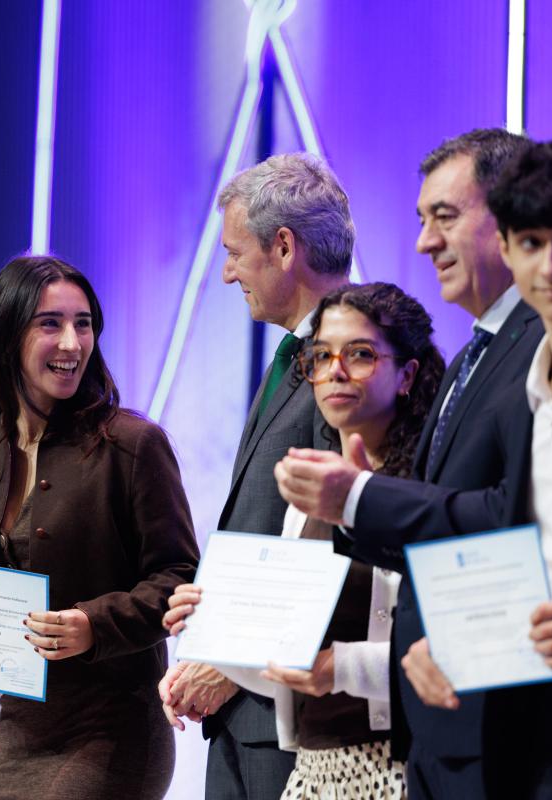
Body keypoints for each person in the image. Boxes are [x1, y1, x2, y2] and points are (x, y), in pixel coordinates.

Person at [288, 139, 552, 797]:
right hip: (502, 731)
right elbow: (512, 546)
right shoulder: (510, 383)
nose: (551, 266)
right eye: (530, 243)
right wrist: (453, 641)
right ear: (508, 246)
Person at [0, 256, 199, 799]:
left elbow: (178, 576)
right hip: (16, 728)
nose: (72, 343)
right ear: (7, 336)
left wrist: (94, 624)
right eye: (50, 324)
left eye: (84, 324)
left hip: (112, 724)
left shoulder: (132, 445)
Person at [291, 129, 537, 798]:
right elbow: (438, 538)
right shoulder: (473, 358)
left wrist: (360, 499)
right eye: (423, 220)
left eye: (445, 217)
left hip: (494, 722)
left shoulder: (542, 349)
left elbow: (521, 522)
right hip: (435, 732)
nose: (425, 242)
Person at [166, 283, 444, 799]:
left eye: (359, 355)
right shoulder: (307, 501)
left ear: (407, 375)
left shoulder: (431, 491)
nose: (335, 371)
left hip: (400, 768)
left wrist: (344, 669)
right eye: (321, 357)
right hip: (315, 773)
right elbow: (292, 667)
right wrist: (213, 637)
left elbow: (459, 650)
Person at [159, 152, 354, 799]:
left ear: (284, 247)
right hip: (244, 718)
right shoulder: (295, 355)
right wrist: (208, 611)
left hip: (292, 719)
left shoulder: (347, 364)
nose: (226, 273)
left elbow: (336, 543)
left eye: (234, 253)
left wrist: (234, 662)